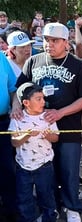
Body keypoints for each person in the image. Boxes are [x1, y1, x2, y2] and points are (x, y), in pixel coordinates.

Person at [11, 22, 82, 222]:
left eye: (55, 40)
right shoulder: (33, 61)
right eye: (47, 40)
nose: (50, 44)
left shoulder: (78, 65)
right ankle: (51, 208)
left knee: (69, 170)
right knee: (46, 175)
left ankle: (72, 207)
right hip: (38, 131)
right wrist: (16, 105)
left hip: (68, 127)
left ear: (66, 42)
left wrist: (61, 113)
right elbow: (19, 89)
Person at [9, 82, 59, 222]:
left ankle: (49, 218)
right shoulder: (17, 118)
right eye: (38, 99)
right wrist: (27, 135)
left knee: (47, 196)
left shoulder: (48, 116)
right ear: (26, 102)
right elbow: (14, 142)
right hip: (23, 167)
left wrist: (48, 135)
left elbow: (56, 138)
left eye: (43, 98)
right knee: (24, 199)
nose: (43, 102)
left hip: (44, 165)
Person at [0, 51, 18, 221]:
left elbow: (13, 89)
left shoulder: (1, 58)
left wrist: (15, 106)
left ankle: (10, 210)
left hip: (3, 122)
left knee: (7, 169)